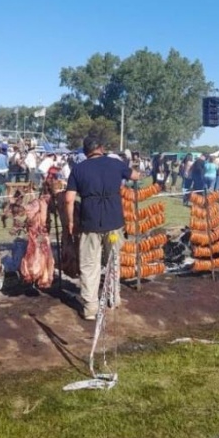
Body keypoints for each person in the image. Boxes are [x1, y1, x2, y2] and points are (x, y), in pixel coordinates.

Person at [64, 137, 140, 320]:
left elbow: (68, 199)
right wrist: (133, 166)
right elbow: (135, 176)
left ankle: (91, 308)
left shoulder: (78, 169)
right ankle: (113, 298)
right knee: (113, 260)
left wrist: (71, 222)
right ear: (101, 148)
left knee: (90, 265)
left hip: (90, 224)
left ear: (85, 152)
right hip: (114, 223)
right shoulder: (115, 163)